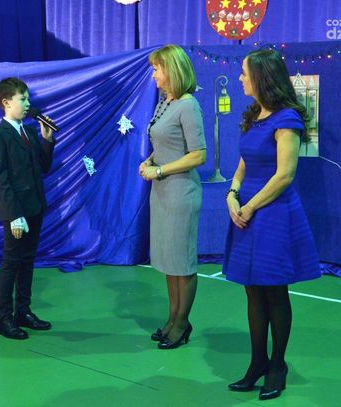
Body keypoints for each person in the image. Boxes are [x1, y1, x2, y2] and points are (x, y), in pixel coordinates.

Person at [223, 49, 321, 401]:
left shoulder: (287, 118)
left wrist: (249, 206)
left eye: (244, 73)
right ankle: (258, 363)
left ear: (261, 78)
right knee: (252, 290)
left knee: (275, 292)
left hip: (273, 213)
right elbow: (244, 164)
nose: (240, 79)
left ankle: (277, 366)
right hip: (247, 211)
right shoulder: (254, 115)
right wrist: (232, 194)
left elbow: (284, 175)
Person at [139, 45, 207, 350]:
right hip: (162, 191)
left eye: (157, 69)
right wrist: (151, 160)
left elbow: (198, 155)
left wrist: (160, 170)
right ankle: (172, 318)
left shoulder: (189, 106)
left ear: (172, 70)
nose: (154, 74)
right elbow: (165, 143)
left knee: (182, 262)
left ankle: (182, 323)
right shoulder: (165, 102)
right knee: (169, 260)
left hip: (181, 193)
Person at [0, 77, 55, 340]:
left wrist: (47, 141)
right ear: (6, 102)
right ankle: (3, 318)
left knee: (27, 261)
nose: (28, 104)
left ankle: (22, 311)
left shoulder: (29, 132)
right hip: (15, 210)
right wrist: (14, 215)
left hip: (35, 206)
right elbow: (1, 180)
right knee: (11, 263)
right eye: (22, 99)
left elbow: (43, 167)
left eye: (28, 99)